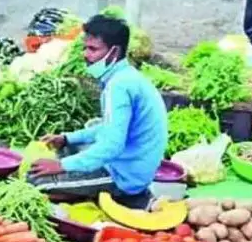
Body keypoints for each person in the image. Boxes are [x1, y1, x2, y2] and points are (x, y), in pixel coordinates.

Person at [30, 14, 168, 210]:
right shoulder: (126, 77)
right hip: (131, 164)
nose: (86, 55)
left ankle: (123, 197)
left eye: (93, 49)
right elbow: (108, 128)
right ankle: (82, 190)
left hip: (125, 177)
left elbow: (112, 146)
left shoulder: (119, 87)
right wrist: (67, 138)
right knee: (65, 148)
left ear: (114, 52)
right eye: (86, 48)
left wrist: (62, 166)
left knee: (35, 181)